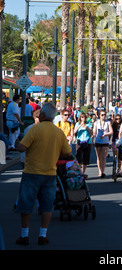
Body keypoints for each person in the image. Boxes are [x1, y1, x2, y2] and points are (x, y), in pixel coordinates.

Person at [16, 102, 73, 245]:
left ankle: (24, 235)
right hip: (50, 173)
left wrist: (16, 143)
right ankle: (43, 235)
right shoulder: (58, 132)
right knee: (47, 207)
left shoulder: (35, 130)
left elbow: (22, 148)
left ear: (42, 115)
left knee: (27, 206)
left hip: (32, 172)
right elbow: (68, 153)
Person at [93, 110, 113, 178]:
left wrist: (105, 134)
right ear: (99, 115)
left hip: (105, 141)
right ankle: (99, 171)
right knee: (99, 157)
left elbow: (111, 131)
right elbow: (94, 132)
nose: (103, 116)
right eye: (102, 115)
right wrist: (92, 139)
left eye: (104, 114)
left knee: (103, 157)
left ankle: (103, 171)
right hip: (98, 141)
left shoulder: (108, 122)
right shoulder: (96, 122)